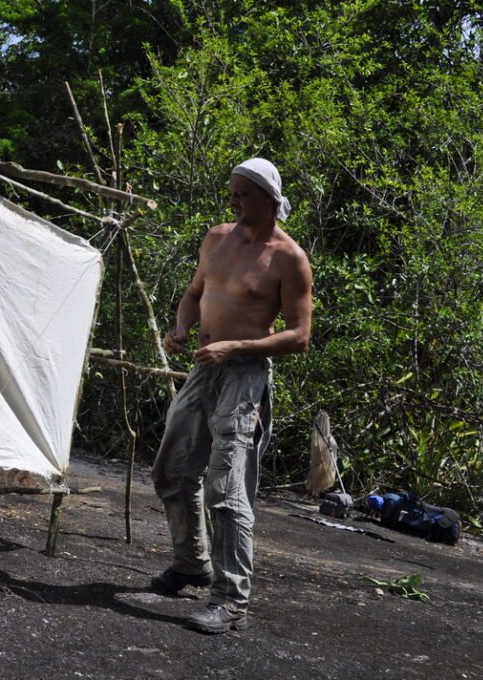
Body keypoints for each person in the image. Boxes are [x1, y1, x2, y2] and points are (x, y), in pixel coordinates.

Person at [150, 158, 313, 634]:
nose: (234, 201)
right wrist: (180, 327)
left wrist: (235, 346)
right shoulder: (217, 238)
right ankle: (190, 564)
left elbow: (299, 336)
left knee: (226, 488)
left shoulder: (288, 258)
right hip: (205, 368)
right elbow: (193, 294)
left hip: (244, 375)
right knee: (173, 471)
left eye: (243, 193)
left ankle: (229, 598)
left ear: (268, 197)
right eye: (232, 192)